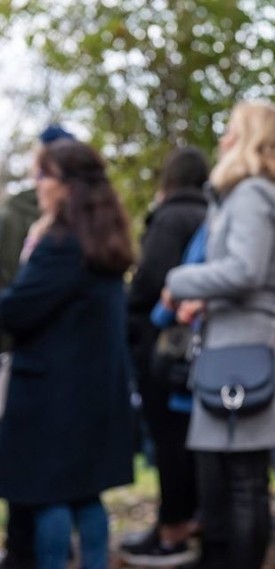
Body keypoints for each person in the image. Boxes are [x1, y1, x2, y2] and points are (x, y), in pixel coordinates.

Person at [163, 99, 275, 569]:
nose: (221, 140)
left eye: (229, 130)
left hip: (241, 351)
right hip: (248, 345)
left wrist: (180, 281)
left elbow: (244, 270)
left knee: (240, 483)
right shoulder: (272, 196)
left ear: (247, 137)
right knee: (240, 481)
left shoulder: (250, 194)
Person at [0, 139, 136, 569]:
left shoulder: (60, 243)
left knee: (47, 497)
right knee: (87, 495)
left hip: (53, 395)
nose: (37, 185)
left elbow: (20, 309)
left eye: (44, 176)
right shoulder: (104, 237)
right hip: (93, 389)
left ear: (67, 186)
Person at [121, 147, 209, 566]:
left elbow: (152, 279)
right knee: (191, 441)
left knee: (170, 442)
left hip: (164, 347)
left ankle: (172, 530)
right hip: (198, 345)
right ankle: (184, 521)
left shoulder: (170, 218)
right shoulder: (210, 214)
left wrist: (135, 311)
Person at [0, 124, 74, 569]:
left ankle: (25, 549)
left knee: (24, 462)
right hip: (54, 355)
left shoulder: (16, 214)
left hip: (21, 350)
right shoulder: (90, 216)